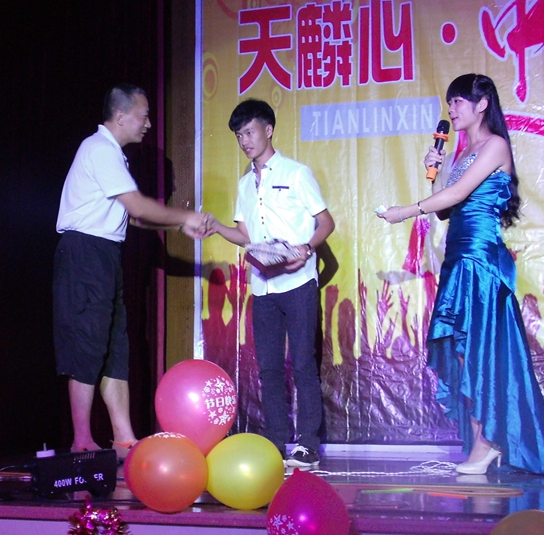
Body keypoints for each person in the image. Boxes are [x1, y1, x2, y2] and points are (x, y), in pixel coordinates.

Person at [378, 73, 544, 477]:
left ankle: (487, 444)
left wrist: (403, 212)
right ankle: (484, 442)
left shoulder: (495, 145)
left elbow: (454, 196)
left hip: (480, 259)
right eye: (450, 102)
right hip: (459, 257)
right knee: (465, 351)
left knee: (480, 349)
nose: (451, 109)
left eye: (458, 101)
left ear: (482, 104)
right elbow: (446, 208)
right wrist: (435, 169)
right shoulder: (462, 152)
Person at [54, 84, 207, 462]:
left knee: (115, 347)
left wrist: (179, 225)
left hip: (106, 254)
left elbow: (135, 217)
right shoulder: (99, 149)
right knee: (88, 344)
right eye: (144, 116)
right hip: (85, 253)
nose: (148, 124)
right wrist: (186, 216)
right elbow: (137, 206)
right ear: (121, 116)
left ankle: (123, 439)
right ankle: (82, 440)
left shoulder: (113, 155)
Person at [205, 99, 335, 468]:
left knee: (304, 364)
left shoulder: (296, 173)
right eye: (238, 135)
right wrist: (218, 227)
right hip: (262, 287)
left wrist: (306, 248)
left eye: (249, 132)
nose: (244, 140)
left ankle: (308, 444)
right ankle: (276, 442)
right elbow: (245, 235)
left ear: (268, 130)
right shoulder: (245, 184)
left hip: (298, 283)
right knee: (269, 368)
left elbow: (326, 222)